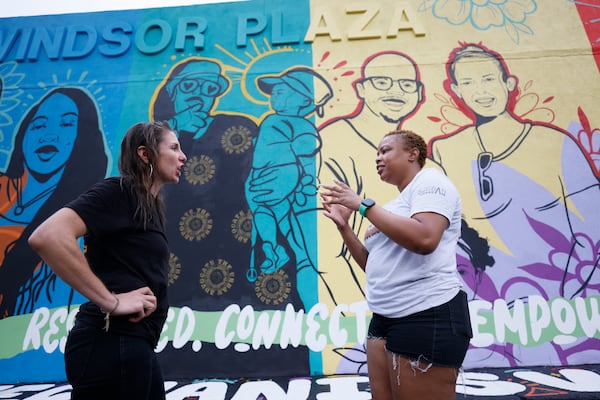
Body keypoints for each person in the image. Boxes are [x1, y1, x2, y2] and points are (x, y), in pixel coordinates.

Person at [429, 43, 600, 366]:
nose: (481, 91)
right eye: (468, 83)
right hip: (484, 313)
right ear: (455, 91)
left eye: (489, 79)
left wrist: (565, 304)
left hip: (563, 306)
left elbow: (592, 229)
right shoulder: (445, 149)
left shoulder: (554, 142)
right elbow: (441, 236)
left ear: (509, 82)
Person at [27, 121, 187, 399]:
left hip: (134, 346)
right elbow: (48, 236)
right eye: (174, 148)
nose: (182, 156)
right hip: (110, 343)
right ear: (145, 154)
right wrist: (111, 301)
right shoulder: (121, 192)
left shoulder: (147, 206)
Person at [320, 130, 471, 400]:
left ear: (413, 154)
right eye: (377, 152)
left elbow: (425, 239)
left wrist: (363, 206)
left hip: (426, 315)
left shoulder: (432, 183)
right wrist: (345, 228)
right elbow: (374, 265)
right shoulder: (395, 207)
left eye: (386, 150)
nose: (378, 158)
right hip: (384, 321)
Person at [316, 51, 426, 308]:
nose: (395, 91)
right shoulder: (337, 138)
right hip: (381, 309)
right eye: (382, 82)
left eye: (406, 84)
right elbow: (347, 259)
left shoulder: (430, 181)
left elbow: (427, 241)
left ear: (419, 94)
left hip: (413, 307)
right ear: (362, 89)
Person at [0, 87, 108, 318]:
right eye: (38, 125)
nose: (49, 135)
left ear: (83, 139)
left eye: (67, 124)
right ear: (23, 135)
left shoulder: (81, 216)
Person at [246, 66, 332, 308]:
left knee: (270, 214)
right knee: (269, 215)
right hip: (267, 181)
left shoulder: (290, 123)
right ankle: (273, 248)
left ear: (304, 99)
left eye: (282, 91)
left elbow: (308, 145)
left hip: (278, 178)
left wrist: (293, 169)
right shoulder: (274, 120)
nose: (275, 96)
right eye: (274, 92)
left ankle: (273, 248)